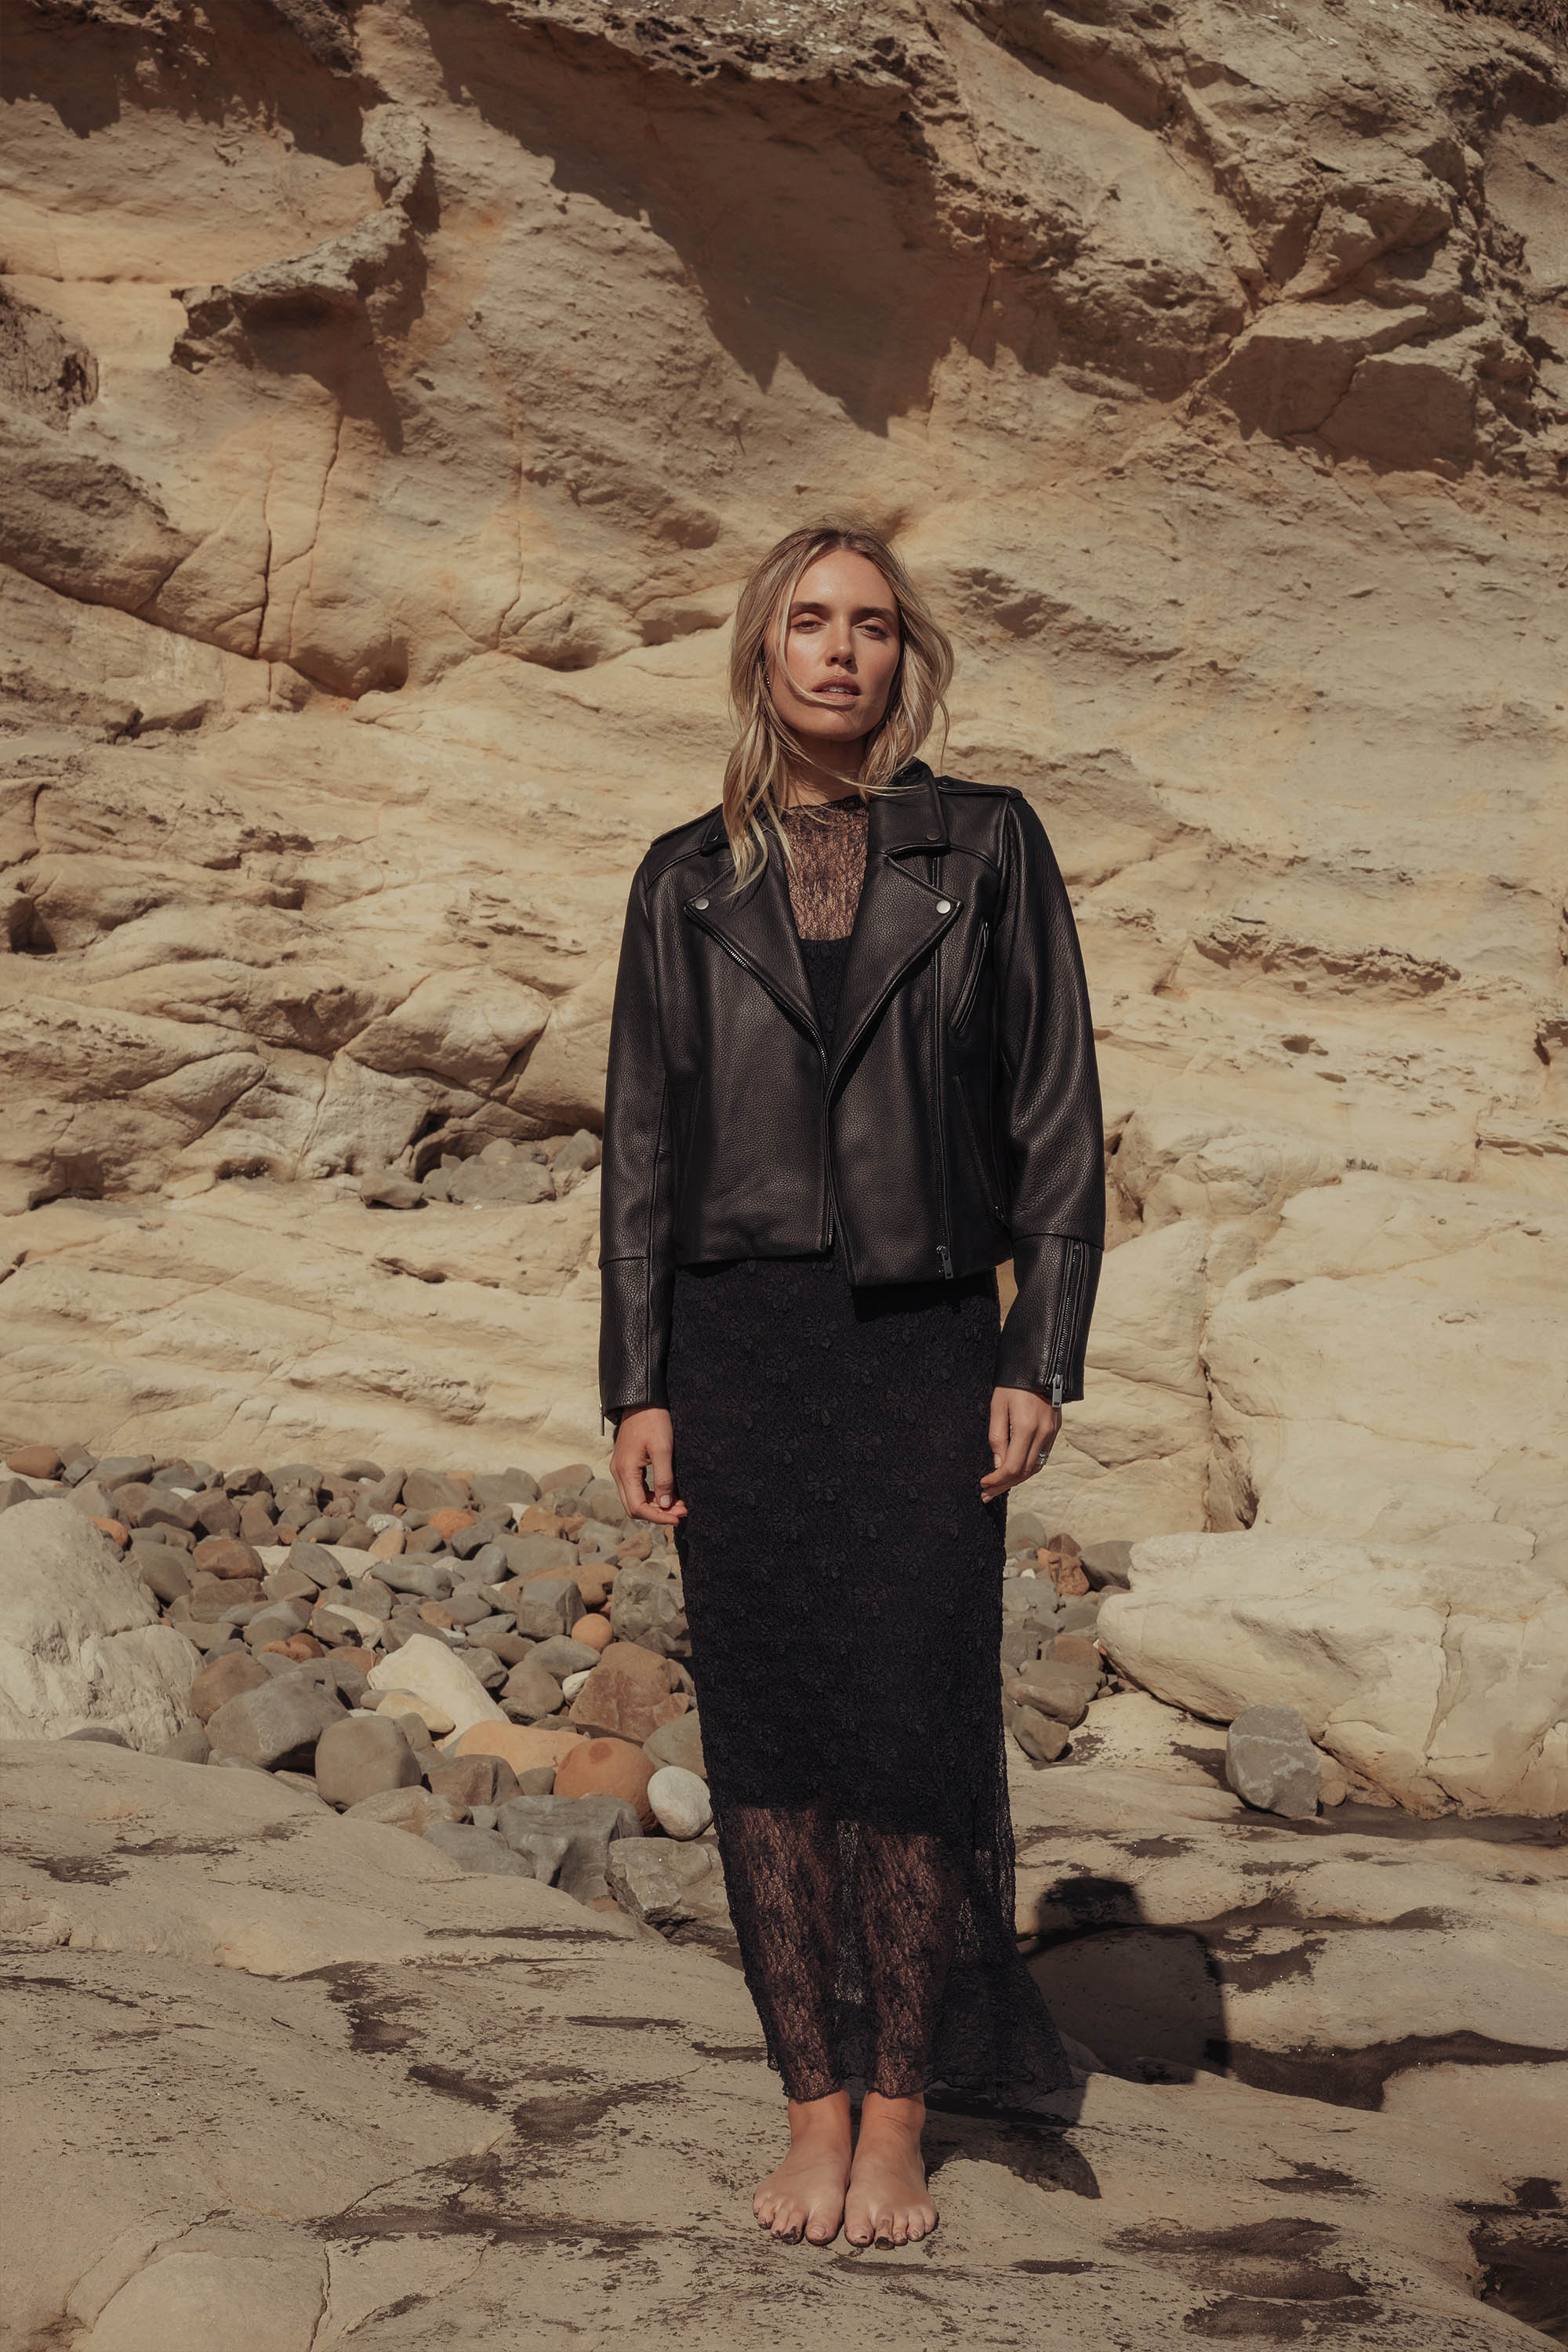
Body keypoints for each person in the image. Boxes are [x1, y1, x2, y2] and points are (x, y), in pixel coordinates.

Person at [598, 521, 1104, 2251]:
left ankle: (897, 2124)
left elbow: (1055, 1111)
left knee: (908, 1719)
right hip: (738, 1348)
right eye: (808, 621)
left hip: (920, 1340)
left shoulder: (989, 845)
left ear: (906, 658)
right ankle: (808, 2107)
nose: (839, 651)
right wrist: (637, 1382)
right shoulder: (683, 878)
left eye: (872, 626)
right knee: (770, 1731)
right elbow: (642, 1147)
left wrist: (1039, 1349)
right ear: (762, 649)